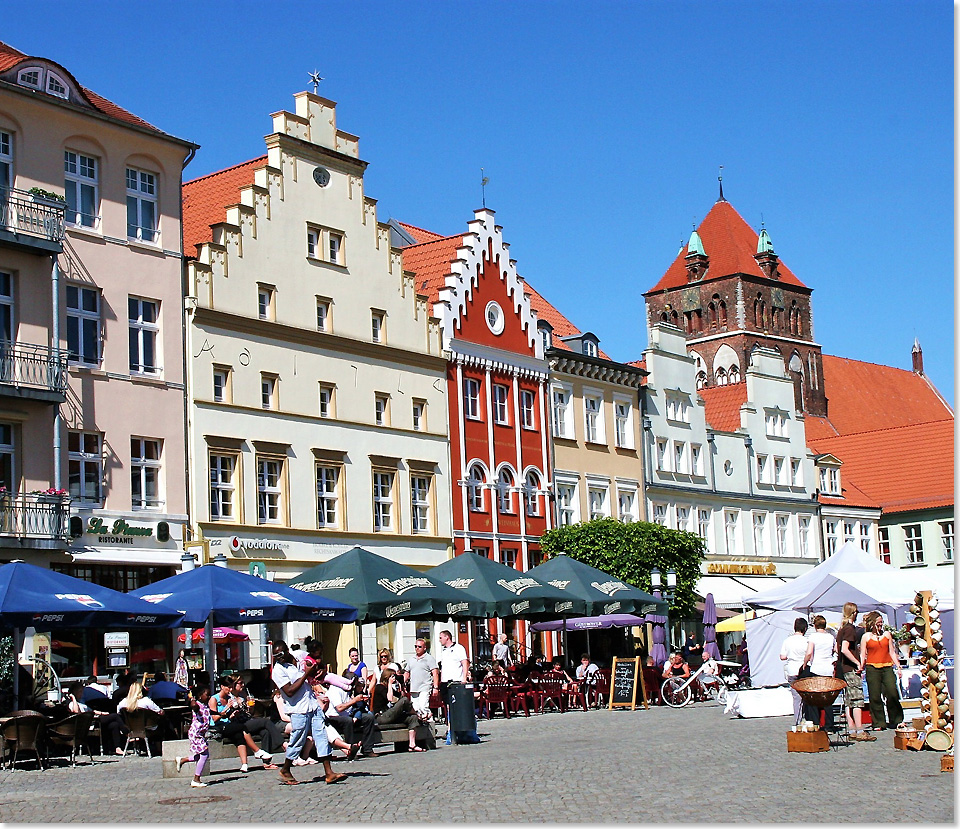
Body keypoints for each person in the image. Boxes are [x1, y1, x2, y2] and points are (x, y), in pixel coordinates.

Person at [271, 639, 346, 785]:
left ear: (287, 650)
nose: (279, 658)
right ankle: (285, 768)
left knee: (321, 734)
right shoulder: (278, 671)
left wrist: (321, 669)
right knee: (298, 738)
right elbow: (289, 691)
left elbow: (316, 660)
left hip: (312, 703)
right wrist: (306, 674)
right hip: (297, 708)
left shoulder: (298, 655)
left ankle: (329, 772)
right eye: (276, 656)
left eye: (280, 654)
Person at [209, 675, 273, 773]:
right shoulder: (214, 699)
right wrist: (227, 708)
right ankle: (257, 751)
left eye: (231, 687)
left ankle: (244, 765)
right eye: (228, 687)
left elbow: (227, 716)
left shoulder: (228, 698)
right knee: (242, 727)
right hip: (218, 727)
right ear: (222, 686)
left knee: (239, 736)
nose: (230, 690)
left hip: (228, 724)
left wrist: (233, 714)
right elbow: (215, 718)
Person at [836, 602, 875, 742]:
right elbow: (844, 649)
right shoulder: (849, 629)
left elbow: (837, 649)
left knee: (848, 700)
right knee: (857, 700)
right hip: (850, 668)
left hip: (842, 668)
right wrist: (857, 662)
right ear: (854, 613)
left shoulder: (842, 629)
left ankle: (852, 729)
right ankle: (859, 730)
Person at [859, 611, 904, 732]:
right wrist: (860, 666)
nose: (880, 625)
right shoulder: (866, 637)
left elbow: (892, 651)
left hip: (887, 667)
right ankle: (879, 722)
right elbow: (863, 654)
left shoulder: (887, 635)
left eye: (881, 623)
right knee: (874, 696)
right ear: (872, 623)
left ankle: (896, 719)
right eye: (878, 623)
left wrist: (898, 666)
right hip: (872, 668)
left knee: (892, 692)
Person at [230, 676, 284, 763]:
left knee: (265, 732)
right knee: (266, 721)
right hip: (240, 724)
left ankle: (267, 762)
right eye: (240, 683)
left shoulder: (243, 695)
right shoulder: (230, 697)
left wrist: (251, 708)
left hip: (248, 720)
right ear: (233, 684)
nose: (243, 685)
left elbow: (249, 713)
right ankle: (282, 743)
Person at [322, 673, 373, 757]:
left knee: (368, 717)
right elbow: (339, 708)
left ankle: (367, 749)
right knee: (347, 721)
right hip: (333, 717)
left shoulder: (348, 691)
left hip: (347, 715)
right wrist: (354, 701)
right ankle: (351, 749)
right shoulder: (335, 690)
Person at [371, 668, 423, 752]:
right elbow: (390, 698)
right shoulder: (379, 687)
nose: (394, 678)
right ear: (387, 677)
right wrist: (390, 684)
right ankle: (418, 715)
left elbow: (400, 698)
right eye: (392, 676)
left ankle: (412, 744)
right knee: (405, 700)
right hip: (382, 716)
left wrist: (401, 686)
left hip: (391, 715)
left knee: (412, 718)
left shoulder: (390, 688)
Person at [803, 615, 837, 730]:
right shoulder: (830, 637)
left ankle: (816, 723)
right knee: (827, 699)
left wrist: (805, 663)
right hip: (828, 669)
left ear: (815, 625)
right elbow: (835, 650)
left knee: (815, 698)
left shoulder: (813, 637)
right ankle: (829, 724)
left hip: (816, 668)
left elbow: (809, 652)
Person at [175, 684, 212, 788]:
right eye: (207, 695)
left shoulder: (205, 705)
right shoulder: (197, 705)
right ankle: (196, 779)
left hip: (200, 733)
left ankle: (183, 760)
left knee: (201, 755)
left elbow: (209, 713)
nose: (209, 697)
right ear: (200, 696)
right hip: (196, 734)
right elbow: (194, 707)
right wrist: (192, 699)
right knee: (204, 754)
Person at [780, 617, 809, 723]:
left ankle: (798, 721)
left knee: (796, 698)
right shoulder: (806, 641)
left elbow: (782, 656)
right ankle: (807, 719)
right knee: (806, 696)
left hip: (792, 670)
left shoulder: (787, 640)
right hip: (803, 669)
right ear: (805, 628)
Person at [405, 638, 439, 723]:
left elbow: (435, 673)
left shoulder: (429, 658)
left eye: (419, 646)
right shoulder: (411, 659)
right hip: (414, 687)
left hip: (425, 686)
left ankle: (430, 723)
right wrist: (403, 683)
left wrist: (435, 687)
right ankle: (421, 724)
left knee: (423, 706)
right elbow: (407, 672)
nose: (417, 648)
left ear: (424, 648)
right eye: (415, 646)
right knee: (416, 709)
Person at [437, 629, 470, 705]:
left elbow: (464, 663)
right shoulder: (444, 651)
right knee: (447, 704)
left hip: (456, 681)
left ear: (447, 637)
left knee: (456, 704)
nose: (439, 640)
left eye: (441, 638)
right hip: (444, 681)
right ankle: (449, 717)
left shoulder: (458, 648)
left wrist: (464, 678)